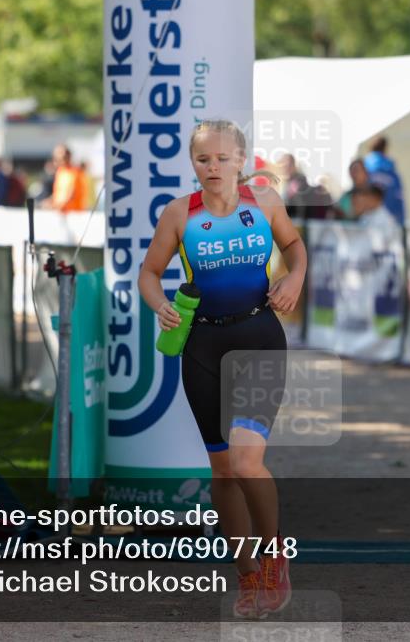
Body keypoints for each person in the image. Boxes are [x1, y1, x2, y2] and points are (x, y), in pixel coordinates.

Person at [138, 119, 305, 620]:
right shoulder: (177, 214)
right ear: (193, 164)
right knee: (223, 469)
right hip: (202, 345)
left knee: (248, 462)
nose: (213, 167)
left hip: (257, 338)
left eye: (222, 158)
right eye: (203, 159)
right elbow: (148, 272)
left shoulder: (265, 203)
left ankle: (275, 557)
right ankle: (248, 574)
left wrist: (294, 276)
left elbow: (294, 247)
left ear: (241, 159)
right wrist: (158, 304)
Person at [363, 135, 406, 226]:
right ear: (385, 148)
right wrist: (401, 220)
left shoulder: (365, 167)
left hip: (368, 217)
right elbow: (398, 196)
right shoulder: (391, 170)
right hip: (390, 217)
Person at [46, 144, 90, 212]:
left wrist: (58, 206)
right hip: (62, 214)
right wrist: (49, 202)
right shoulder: (60, 172)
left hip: (74, 214)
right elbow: (58, 194)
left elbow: (72, 194)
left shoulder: (76, 172)